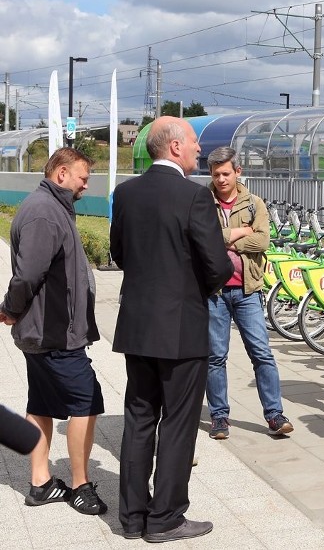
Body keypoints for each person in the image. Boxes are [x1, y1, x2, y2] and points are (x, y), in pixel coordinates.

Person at [111, 116, 233, 542]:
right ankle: (165, 519)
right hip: (181, 329)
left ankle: (132, 518)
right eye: (196, 144)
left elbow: (119, 252)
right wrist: (198, 287)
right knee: (178, 424)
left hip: (138, 327)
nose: (200, 150)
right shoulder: (193, 197)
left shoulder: (125, 193)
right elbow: (217, 265)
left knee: (139, 419)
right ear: (176, 147)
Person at [0, 147, 106, 515]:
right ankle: (80, 484)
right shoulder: (45, 213)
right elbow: (28, 274)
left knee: (42, 403)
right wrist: (11, 309)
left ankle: (41, 482)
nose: (86, 184)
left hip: (46, 331)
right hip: (53, 332)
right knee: (86, 402)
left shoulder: (50, 207)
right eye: (82, 176)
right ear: (61, 173)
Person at [205, 146, 293, 439]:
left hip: (248, 290)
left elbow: (263, 241)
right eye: (216, 174)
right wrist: (241, 232)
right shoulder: (203, 202)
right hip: (214, 293)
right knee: (216, 356)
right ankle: (219, 416)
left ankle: (274, 414)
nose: (220, 179)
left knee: (262, 353)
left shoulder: (254, 203)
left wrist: (228, 240)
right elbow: (204, 240)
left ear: (238, 172)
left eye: (226, 173)